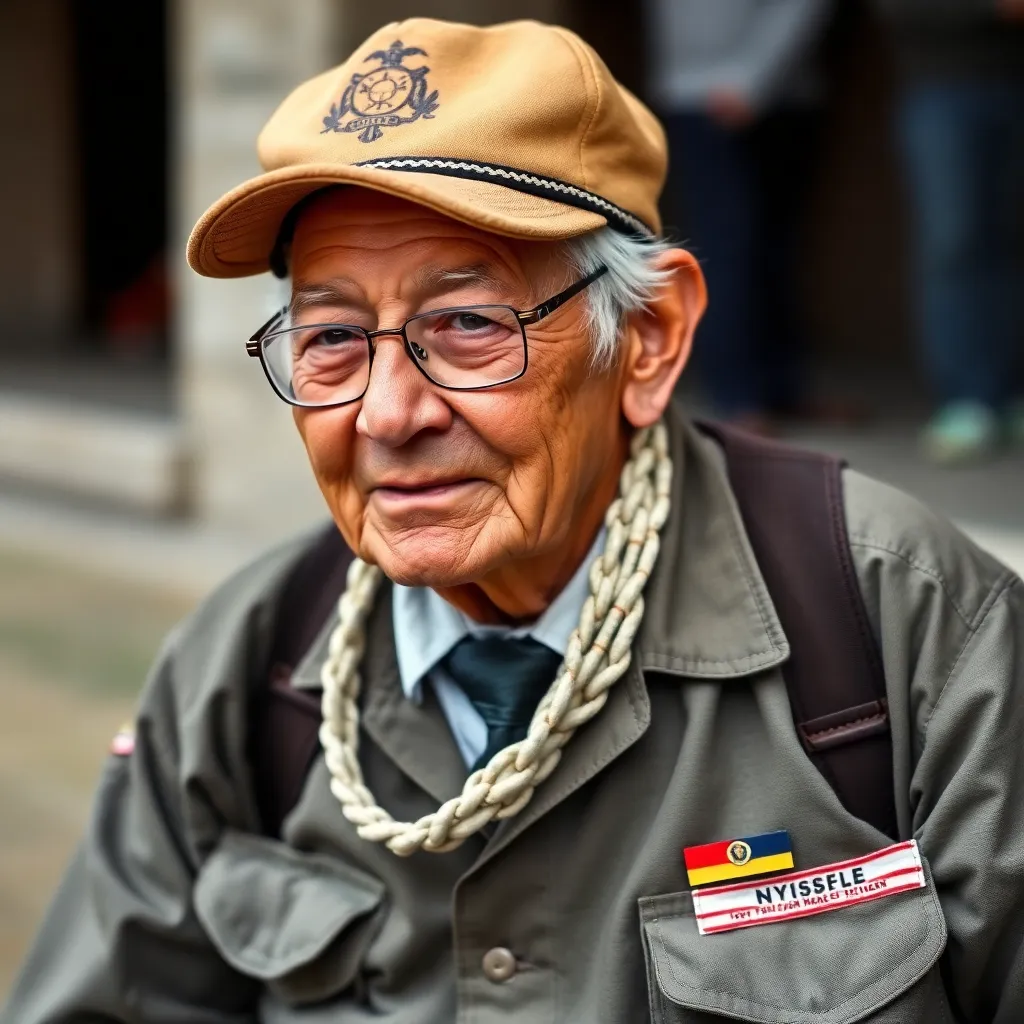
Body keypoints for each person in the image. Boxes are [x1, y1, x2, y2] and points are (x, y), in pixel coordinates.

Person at [5, 18, 1024, 1023]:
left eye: (467, 325)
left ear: (649, 339)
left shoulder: (902, 628)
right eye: (331, 337)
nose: (388, 414)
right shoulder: (242, 670)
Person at [645, 0, 836, 431]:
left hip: (776, 89)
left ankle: (779, 388)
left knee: (774, 248)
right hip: (693, 89)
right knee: (726, 244)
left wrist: (753, 79)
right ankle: (738, 394)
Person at [874, 0, 1024, 463]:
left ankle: (1010, 393)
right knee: (953, 242)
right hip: (941, 80)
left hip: (1012, 76)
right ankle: (967, 398)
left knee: (1008, 239)